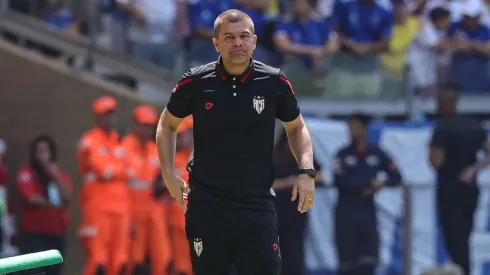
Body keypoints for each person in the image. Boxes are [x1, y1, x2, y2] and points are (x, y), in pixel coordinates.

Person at [156, 9, 316, 275]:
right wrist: (169, 174)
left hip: (257, 204)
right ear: (216, 43)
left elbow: (297, 127)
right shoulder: (195, 81)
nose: (238, 43)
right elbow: (167, 124)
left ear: (254, 40)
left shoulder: (275, 82)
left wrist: (306, 170)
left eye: (244, 36)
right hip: (207, 205)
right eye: (229, 37)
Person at [428, 83, 490, 275]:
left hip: (450, 188)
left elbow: (436, 161)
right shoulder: (472, 124)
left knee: (454, 240)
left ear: (442, 102)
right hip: (469, 188)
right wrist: (474, 169)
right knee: (464, 237)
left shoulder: (443, 127)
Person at [332, 114, 402, 275]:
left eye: (355, 126)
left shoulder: (376, 153)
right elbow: (341, 181)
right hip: (346, 213)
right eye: (349, 127)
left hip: (367, 212)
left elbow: (396, 175)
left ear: (365, 129)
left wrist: (381, 183)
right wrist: (368, 183)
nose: (351, 131)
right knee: (347, 264)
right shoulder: (342, 154)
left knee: (368, 261)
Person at [77, 96, 131, 275]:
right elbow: (101, 169)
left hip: (121, 210)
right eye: (105, 115)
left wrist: (115, 172)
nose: (110, 119)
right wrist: (119, 171)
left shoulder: (120, 141)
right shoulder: (89, 140)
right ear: (97, 117)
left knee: (119, 262)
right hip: (98, 210)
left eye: (112, 115)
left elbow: (129, 170)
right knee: (97, 262)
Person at [122, 105, 171, 275]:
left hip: (153, 208)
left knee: (162, 256)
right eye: (143, 124)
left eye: (150, 125)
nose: (147, 129)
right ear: (135, 124)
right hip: (131, 208)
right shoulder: (123, 147)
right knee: (132, 259)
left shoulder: (156, 149)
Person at [16, 135, 73, 275]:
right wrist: (53, 204)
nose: (43, 155)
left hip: (56, 235)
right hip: (34, 236)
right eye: (39, 151)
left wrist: (56, 176)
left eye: (46, 150)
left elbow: (67, 197)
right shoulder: (26, 172)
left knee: (54, 271)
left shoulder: (60, 174)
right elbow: (31, 198)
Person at [272, 130, 324, 275]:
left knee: (295, 255)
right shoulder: (275, 158)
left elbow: (318, 175)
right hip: (276, 211)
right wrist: (288, 182)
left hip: (296, 213)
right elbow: (266, 185)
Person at [168, 116, 194, 275]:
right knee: (180, 267)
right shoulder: (174, 159)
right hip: (177, 222)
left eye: (182, 134)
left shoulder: (205, 157)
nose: (178, 137)